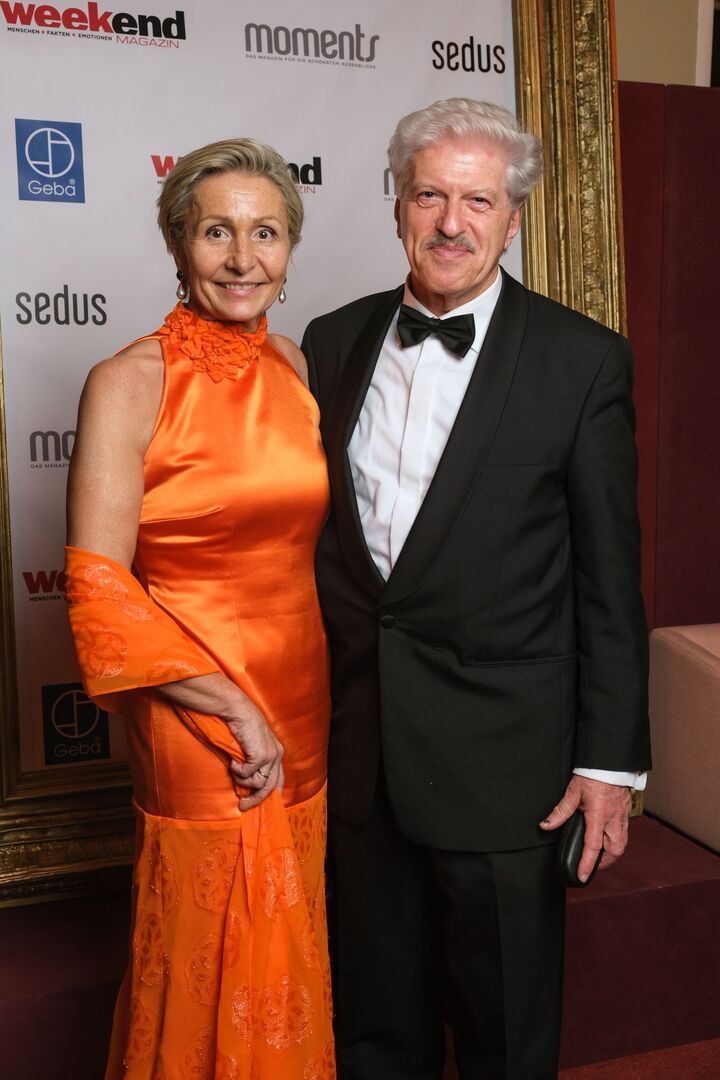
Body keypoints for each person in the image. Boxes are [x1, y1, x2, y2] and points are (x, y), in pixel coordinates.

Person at [302, 98, 651, 1079]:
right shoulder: (331, 342)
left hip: (508, 773)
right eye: (429, 196)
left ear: (513, 218)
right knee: (374, 1033)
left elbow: (611, 584)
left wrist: (610, 766)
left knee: (504, 1039)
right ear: (397, 205)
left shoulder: (583, 362)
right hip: (362, 757)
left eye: (478, 201)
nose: (451, 223)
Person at [65, 139, 334, 1079]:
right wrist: (233, 708)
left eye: (266, 233)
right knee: (207, 950)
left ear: (290, 248)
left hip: (304, 701)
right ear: (178, 244)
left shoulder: (295, 365)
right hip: (199, 714)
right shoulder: (128, 382)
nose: (242, 258)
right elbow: (99, 590)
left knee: (285, 955)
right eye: (217, 232)